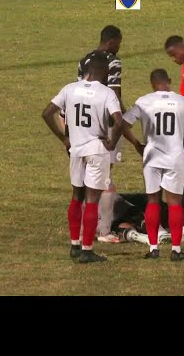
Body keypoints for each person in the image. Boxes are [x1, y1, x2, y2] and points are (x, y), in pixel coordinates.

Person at [110, 68, 184, 261]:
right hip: (174, 157)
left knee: (152, 201)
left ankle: (153, 248)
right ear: (169, 80)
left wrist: (135, 143)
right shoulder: (183, 102)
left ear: (152, 84)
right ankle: (176, 250)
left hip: (152, 156)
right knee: (175, 202)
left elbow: (122, 124)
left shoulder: (144, 101)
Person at [41, 54, 122, 264]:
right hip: (96, 150)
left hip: (76, 150)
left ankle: (75, 245)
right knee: (92, 199)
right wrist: (112, 143)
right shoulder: (107, 93)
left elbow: (47, 113)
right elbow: (119, 122)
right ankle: (87, 250)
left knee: (76, 197)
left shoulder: (69, 88)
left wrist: (64, 139)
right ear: (103, 71)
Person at [74, 25, 127, 243]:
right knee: (105, 178)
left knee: (84, 179)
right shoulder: (112, 62)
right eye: (119, 43)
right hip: (106, 125)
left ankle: (80, 229)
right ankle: (103, 230)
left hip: (82, 125)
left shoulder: (84, 60)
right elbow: (114, 94)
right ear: (112, 41)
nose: (119, 47)